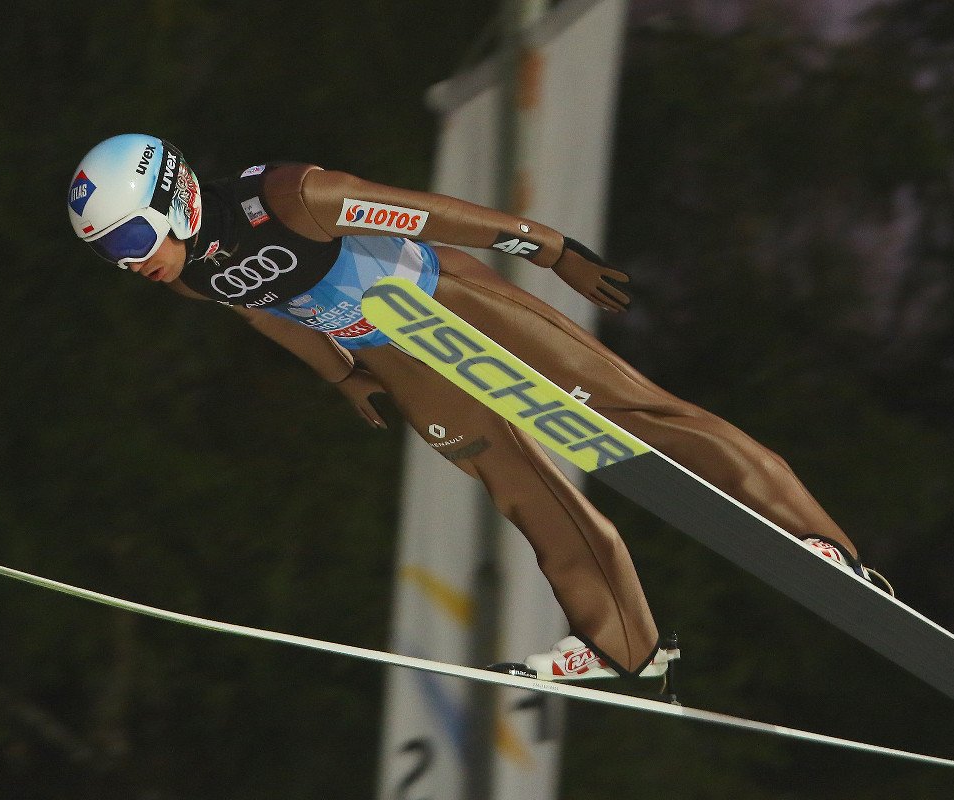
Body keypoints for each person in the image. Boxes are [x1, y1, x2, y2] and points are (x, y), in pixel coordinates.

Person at [67, 133, 880, 681]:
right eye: (107, 253)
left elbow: (425, 213)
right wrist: (342, 376)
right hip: (396, 351)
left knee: (633, 412)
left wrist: (550, 247)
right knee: (518, 486)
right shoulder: (191, 270)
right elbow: (260, 308)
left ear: (172, 200)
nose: (126, 263)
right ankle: (623, 646)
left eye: (128, 241)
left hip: (444, 298)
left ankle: (820, 543)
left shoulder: (288, 198)